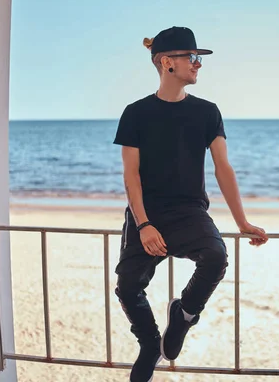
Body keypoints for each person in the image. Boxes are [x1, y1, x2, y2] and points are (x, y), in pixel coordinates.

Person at [113, 26, 268, 382]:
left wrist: (243, 222)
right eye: (192, 58)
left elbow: (223, 168)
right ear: (167, 62)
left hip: (190, 212)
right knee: (127, 285)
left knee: (216, 258)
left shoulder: (207, 112)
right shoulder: (135, 113)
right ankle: (150, 344)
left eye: (198, 58)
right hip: (147, 212)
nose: (198, 65)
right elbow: (131, 176)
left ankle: (183, 315)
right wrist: (143, 224)